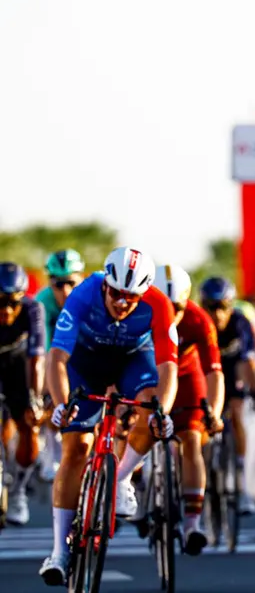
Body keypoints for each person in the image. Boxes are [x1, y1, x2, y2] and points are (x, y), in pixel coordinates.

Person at [39, 247, 178, 586]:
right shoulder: (84, 293)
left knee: (150, 407)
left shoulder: (159, 304)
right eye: (115, 293)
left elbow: (168, 366)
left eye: (131, 297)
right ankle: (59, 551)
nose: (121, 302)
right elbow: (56, 357)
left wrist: (164, 411)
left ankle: (121, 475)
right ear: (105, 285)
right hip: (85, 361)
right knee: (75, 449)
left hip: (134, 358)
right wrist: (60, 404)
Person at [150, 264, 224, 555]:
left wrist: (215, 412)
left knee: (192, 441)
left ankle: (193, 524)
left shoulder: (199, 320)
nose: (172, 315)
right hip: (150, 374)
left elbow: (214, 372)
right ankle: (140, 485)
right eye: (165, 307)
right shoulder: (139, 314)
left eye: (178, 307)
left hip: (185, 376)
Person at [199, 277, 255, 516]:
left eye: (223, 307)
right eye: (211, 306)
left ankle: (241, 482)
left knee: (237, 413)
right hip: (206, 374)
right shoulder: (199, 323)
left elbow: (248, 363)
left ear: (232, 306)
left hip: (233, 371)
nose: (217, 314)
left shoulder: (241, 324)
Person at [0, 262, 46, 526]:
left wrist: (35, 398)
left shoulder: (32, 309)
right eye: (0, 303)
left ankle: (18, 491)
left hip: (18, 366)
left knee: (29, 425)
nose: (6, 311)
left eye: (12, 303)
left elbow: (36, 359)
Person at [35, 249, 85, 482]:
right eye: (58, 284)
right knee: (50, 391)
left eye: (71, 283)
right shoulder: (42, 302)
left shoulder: (94, 295)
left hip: (85, 352)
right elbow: (44, 348)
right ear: (49, 283)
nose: (65, 291)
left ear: (82, 278)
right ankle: (52, 444)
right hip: (56, 353)